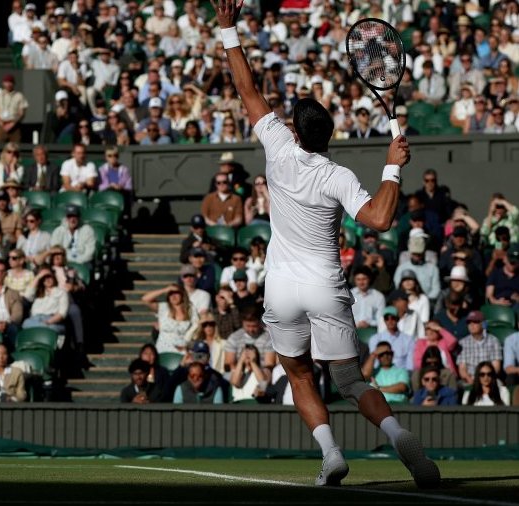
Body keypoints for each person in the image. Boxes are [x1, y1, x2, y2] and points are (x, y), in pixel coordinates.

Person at [212, 0, 438, 487]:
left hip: (282, 289)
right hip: (324, 286)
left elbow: (246, 86)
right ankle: (398, 436)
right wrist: (393, 165)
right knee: (351, 380)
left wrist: (228, 29)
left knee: (298, 374)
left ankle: (331, 454)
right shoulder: (337, 174)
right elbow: (378, 218)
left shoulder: (276, 146)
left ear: (294, 129)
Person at [456, 310, 503, 386]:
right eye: (469, 322)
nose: (471, 325)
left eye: (475, 322)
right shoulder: (462, 343)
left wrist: (485, 379)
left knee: (500, 385)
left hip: (489, 378)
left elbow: (496, 367)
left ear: (483, 324)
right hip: (470, 379)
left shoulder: (494, 341)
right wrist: (470, 380)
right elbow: (462, 369)